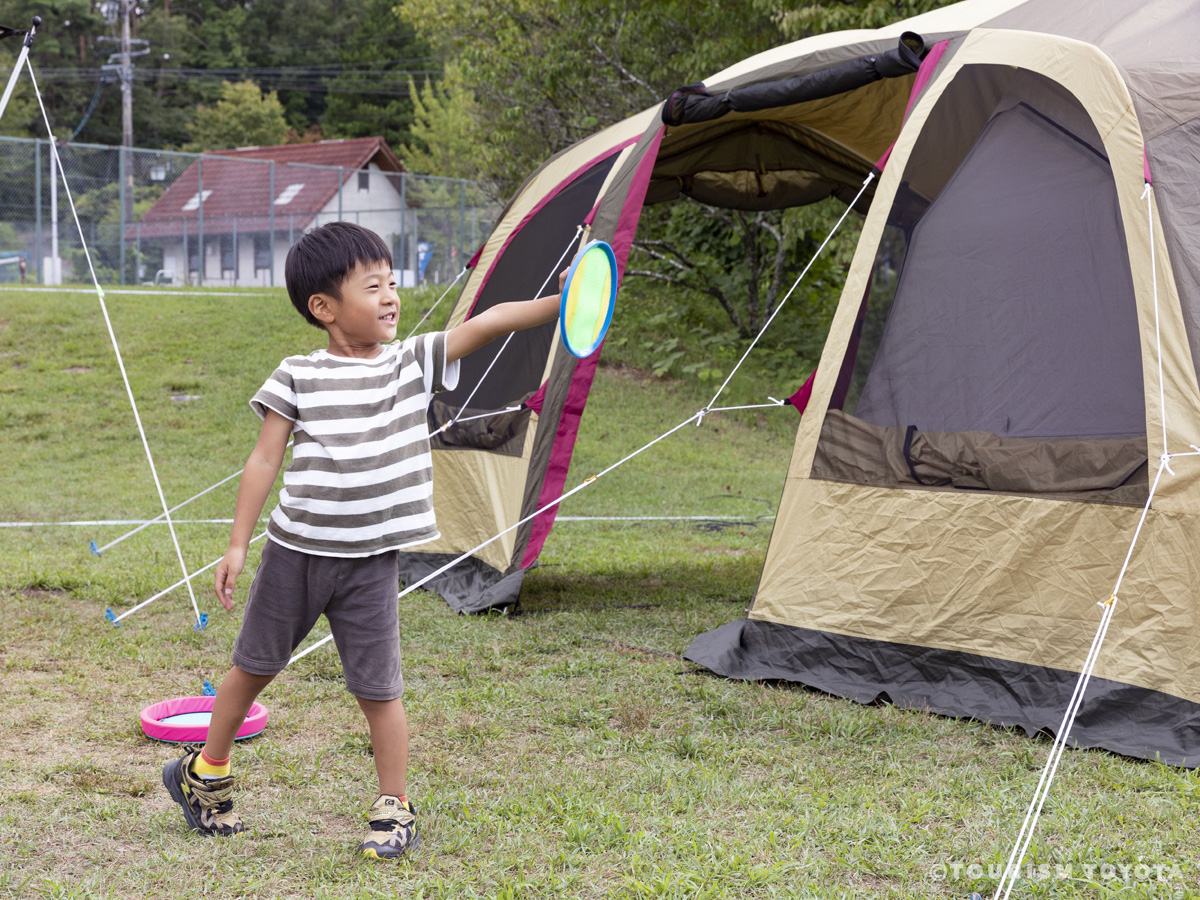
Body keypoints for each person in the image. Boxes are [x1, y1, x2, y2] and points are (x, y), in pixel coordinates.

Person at [162, 221, 562, 858]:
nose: (391, 297)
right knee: (253, 668)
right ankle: (204, 772)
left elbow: (490, 322)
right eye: (372, 285)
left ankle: (394, 807)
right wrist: (237, 543)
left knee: (380, 688)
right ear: (324, 308)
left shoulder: (411, 361)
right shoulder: (298, 374)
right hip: (296, 553)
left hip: (373, 562)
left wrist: (566, 301)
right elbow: (264, 461)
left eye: (393, 283)